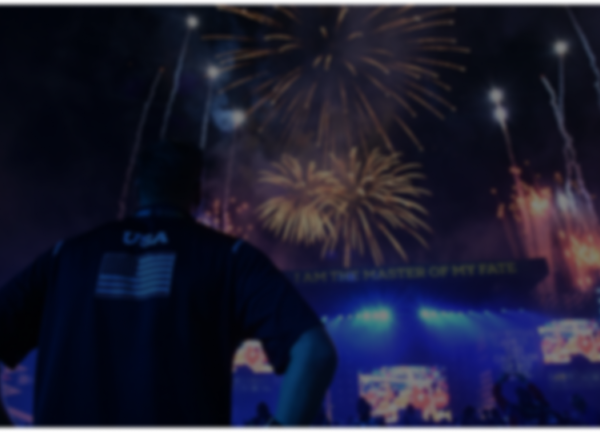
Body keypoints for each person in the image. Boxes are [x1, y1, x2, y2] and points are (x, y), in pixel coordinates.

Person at [0, 141, 337, 431]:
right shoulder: (230, 258)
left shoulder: (64, 257)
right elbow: (315, 352)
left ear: (138, 188)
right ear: (198, 194)